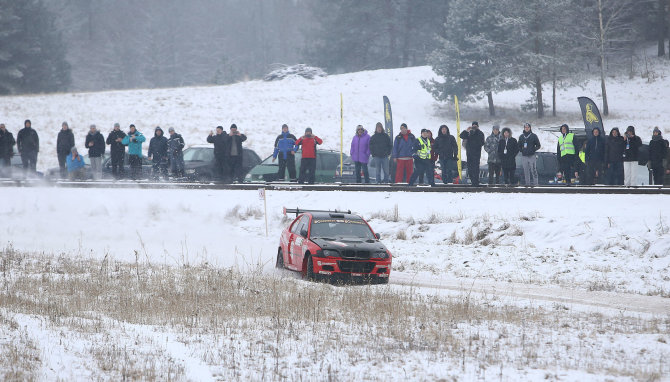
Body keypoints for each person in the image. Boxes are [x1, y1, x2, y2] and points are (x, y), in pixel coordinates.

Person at [459, 121, 485, 186]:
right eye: (473, 126)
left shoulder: (480, 133)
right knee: (470, 168)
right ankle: (472, 180)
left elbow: (482, 142)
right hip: (469, 153)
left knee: (476, 168)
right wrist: (467, 130)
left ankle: (476, 181)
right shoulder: (469, 133)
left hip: (476, 153)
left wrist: (476, 134)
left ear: (478, 127)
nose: (474, 127)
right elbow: (461, 136)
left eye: (475, 126)